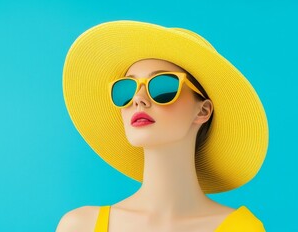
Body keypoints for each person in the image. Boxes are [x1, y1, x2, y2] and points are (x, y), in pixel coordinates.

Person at [56, 20, 268, 231]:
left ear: (202, 111)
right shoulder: (80, 225)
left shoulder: (242, 228)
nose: (139, 98)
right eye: (127, 89)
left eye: (162, 87)